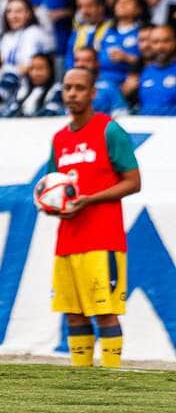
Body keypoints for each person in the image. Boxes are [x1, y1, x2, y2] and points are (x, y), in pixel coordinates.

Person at [45, 67, 140, 369]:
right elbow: (52, 185)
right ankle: (81, 378)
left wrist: (90, 199)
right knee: (73, 312)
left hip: (103, 238)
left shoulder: (109, 130)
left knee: (104, 310)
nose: (72, 94)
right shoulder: (59, 139)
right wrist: (50, 205)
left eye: (79, 88)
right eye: (67, 88)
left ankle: (111, 378)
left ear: (92, 93)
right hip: (68, 239)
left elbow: (133, 182)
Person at [138, 24, 176, 116]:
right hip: (146, 127)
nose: (160, 46)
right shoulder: (145, 71)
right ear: (150, 44)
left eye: (166, 41)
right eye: (156, 42)